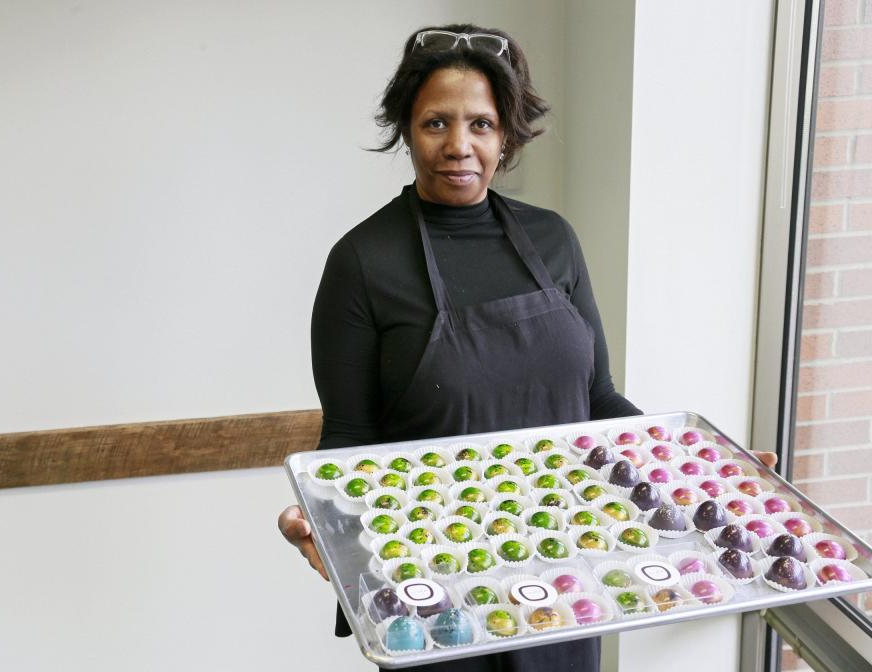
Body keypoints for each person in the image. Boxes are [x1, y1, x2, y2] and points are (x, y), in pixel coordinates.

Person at [278, 23, 777, 672]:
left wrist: (693, 466)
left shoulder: (554, 242)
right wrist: (319, 517)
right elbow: (350, 434)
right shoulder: (363, 262)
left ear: (507, 133)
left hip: (567, 569)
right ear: (406, 127)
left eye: (481, 124)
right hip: (435, 581)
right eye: (436, 123)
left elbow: (597, 399)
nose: (459, 146)